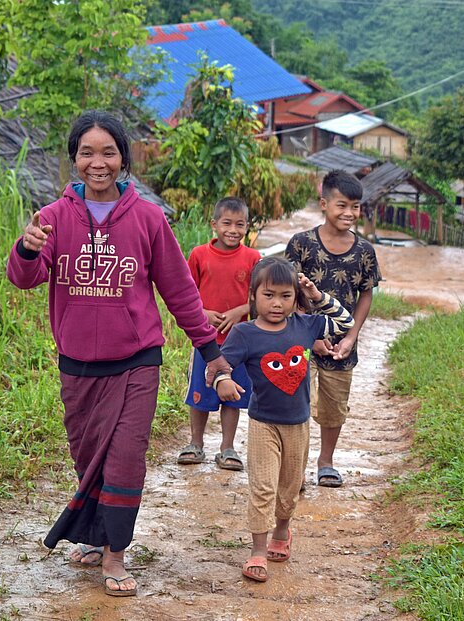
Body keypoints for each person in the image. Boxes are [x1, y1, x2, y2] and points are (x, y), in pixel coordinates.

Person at [6, 110, 230, 597]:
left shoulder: (148, 218)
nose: (98, 162)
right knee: (88, 459)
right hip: (78, 366)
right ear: (75, 160)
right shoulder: (52, 218)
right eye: (87, 152)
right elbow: (25, 278)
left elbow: (179, 292)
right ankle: (92, 535)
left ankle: (115, 554)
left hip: (136, 362)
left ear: (123, 159)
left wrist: (210, 352)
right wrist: (25, 249)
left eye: (108, 152)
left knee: (126, 458)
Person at [214, 257, 355, 582]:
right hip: (263, 423)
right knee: (263, 487)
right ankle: (258, 552)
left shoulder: (306, 326)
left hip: (298, 425)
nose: (277, 303)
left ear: (295, 297)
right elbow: (221, 364)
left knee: (289, 489)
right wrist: (222, 381)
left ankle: (282, 530)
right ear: (253, 296)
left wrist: (317, 296)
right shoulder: (244, 333)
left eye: (285, 296)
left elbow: (345, 322)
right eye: (268, 295)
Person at [285, 169, 382, 488]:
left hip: (341, 346)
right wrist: (307, 336)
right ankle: (295, 468)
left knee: (334, 407)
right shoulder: (302, 244)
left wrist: (352, 336)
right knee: (295, 404)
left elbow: (366, 293)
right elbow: (288, 292)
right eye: (342, 205)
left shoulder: (364, 251)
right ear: (323, 203)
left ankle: (325, 462)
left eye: (355, 206)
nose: (349, 213)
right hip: (300, 342)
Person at [177, 197, 261, 471]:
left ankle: (227, 447)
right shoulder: (199, 255)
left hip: (240, 342)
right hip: (206, 339)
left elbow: (262, 298)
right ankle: (195, 443)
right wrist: (203, 313)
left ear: (247, 227)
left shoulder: (253, 258)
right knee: (200, 393)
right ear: (214, 224)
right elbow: (185, 295)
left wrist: (240, 311)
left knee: (232, 393)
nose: (233, 230)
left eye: (240, 225)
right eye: (227, 223)